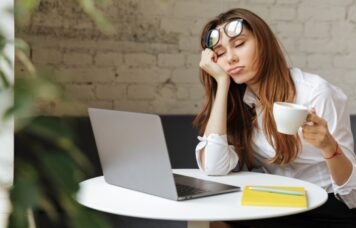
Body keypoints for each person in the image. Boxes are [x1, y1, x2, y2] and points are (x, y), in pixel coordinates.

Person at [194, 8, 356, 227]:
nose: (231, 58)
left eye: (240, 44)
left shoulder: (316, 92)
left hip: (324, 206)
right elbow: (213, 167)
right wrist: (222, 84)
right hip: (274, 201)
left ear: (263, 42)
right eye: (220, 53)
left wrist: (329, 147)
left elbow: (352, 194)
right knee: (217, 222)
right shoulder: (239, 101)